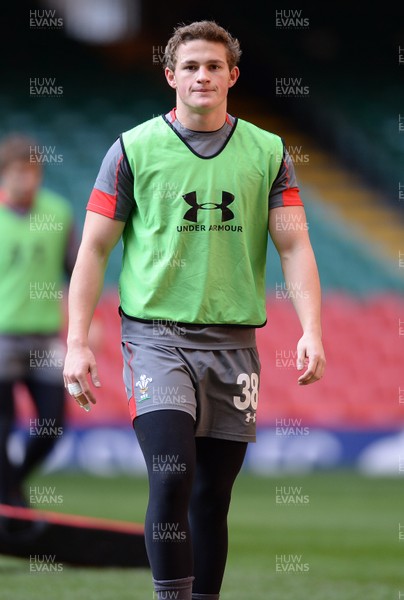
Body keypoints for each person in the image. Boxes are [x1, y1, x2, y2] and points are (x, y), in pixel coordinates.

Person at [63, 20, 326, 600]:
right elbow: (95, 249)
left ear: (232, 75)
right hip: (156, 337)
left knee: (212, 494)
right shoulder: (131, 149)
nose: (201, 75)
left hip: (235, 346)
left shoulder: (269, 151)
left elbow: (294, 244)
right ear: (169, 77)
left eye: (213, 66)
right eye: (189, 66)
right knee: (172, 474)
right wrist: (77, 341)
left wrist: (311, 329)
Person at [0, 133, 77, 507]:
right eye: (16, 172)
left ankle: (10, 487)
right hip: (2, 337)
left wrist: (84, 318)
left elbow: (75, 270)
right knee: (2, 427)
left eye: (31, 172)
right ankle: (12, 503)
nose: (24, 180)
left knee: (53, 424)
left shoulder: (59, 213)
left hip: (46, 337)